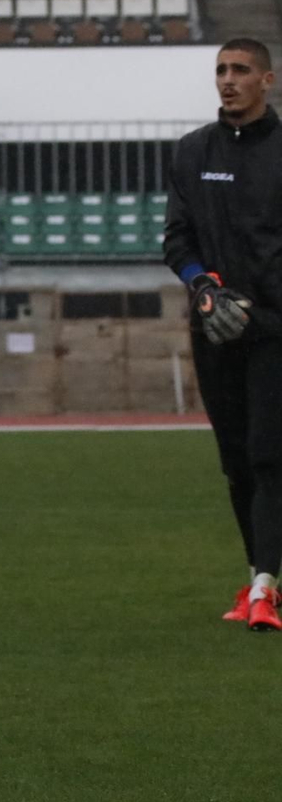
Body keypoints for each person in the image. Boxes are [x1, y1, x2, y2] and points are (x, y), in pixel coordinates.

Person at [165, 37, 282, 632]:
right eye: (221, 70)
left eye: (240, 70)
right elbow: (177, 240)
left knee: (268, 455)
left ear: (267, 80)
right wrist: (203, 287)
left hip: (275, 328)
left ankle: (265, 588)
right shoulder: (192, 151)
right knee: (236, 463)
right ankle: (257, 577)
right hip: (214, 327)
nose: (228, 80)